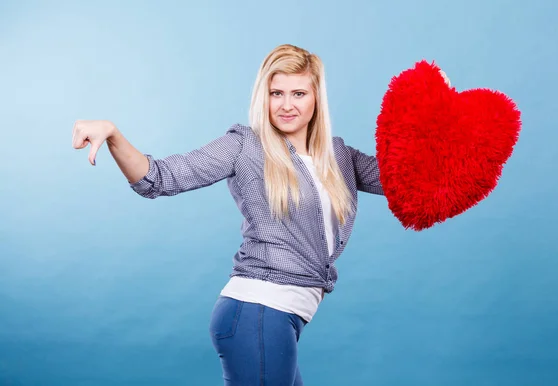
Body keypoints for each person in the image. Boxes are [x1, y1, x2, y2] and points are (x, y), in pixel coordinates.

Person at [72, 44, 449, 385]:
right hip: (257, 312)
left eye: (298, 93)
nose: (287, 105)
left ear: (317, 98)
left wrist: (435, 108)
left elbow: (407, 179)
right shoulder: (245, 146)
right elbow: (160, 179)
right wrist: (114, 135)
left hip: (279, 319)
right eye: (276, 93)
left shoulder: (339, 156)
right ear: (263, 97)